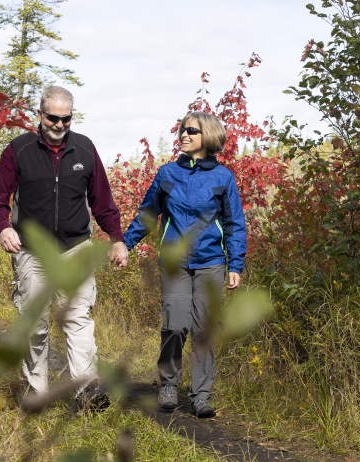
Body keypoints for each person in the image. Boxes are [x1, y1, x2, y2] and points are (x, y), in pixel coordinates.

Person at [0, 86, 129, 409]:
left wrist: (116, 238)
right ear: (40, 115)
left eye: (66, 119)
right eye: (53, 118)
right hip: (31, 251)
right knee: (35, 324)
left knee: (77, 318)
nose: (59, 125)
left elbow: (102, 202)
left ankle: (88, 392)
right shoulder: (18, 151)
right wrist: (3, 228)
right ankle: (37, 392)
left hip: (75, 247)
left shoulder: (85, 150)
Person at [122, 111, 246, 418]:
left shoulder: (223, 178)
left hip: (211, 263)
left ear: (209, 136)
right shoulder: (167, 174)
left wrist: (235, 264)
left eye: (191, 131)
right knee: (174, 326)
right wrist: (124, 244)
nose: (184, 135)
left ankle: (201, 395)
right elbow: (148, 215)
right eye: (182, 130)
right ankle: (168, 386)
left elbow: (234, 224)